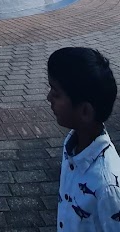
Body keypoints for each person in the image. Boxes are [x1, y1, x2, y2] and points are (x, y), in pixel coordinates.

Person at [47, 46, 120, 231]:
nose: (49, 98)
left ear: (85, 111)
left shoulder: (107, 186)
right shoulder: (72, 145)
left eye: (56, 93)